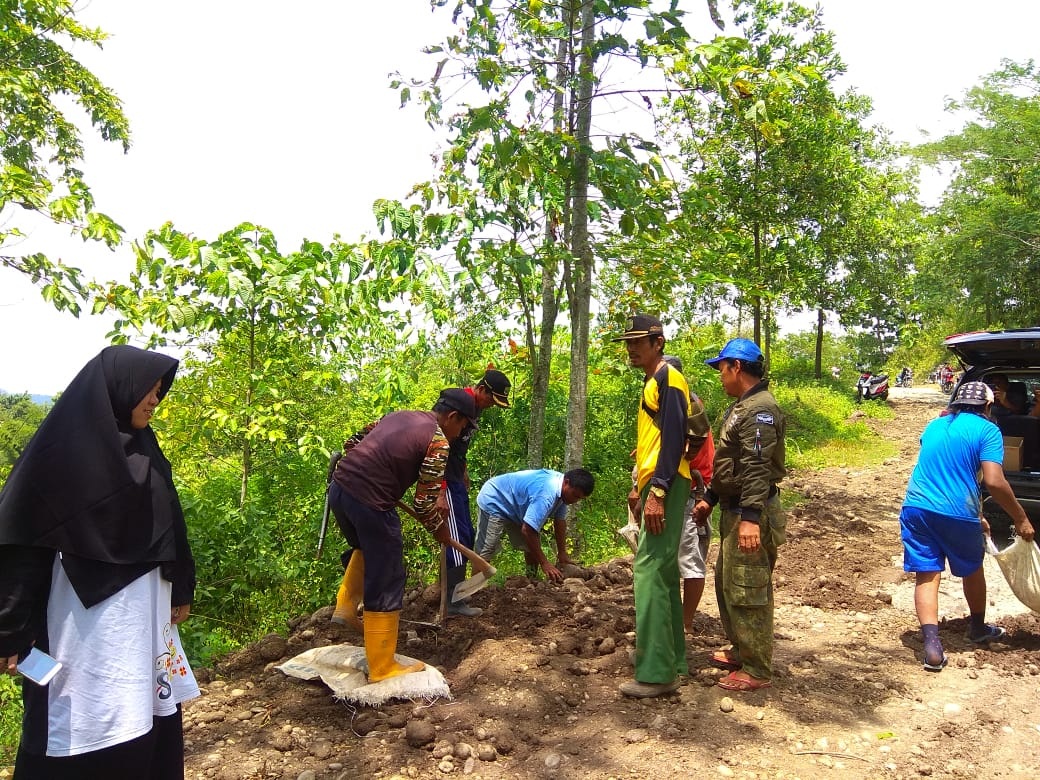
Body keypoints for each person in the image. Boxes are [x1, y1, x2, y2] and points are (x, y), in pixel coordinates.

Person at [0, 346, 198, 779]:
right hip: (83, 622)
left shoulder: (146, 450)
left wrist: (181, 584)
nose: (155, 400)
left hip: (145, 618)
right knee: (84, 720)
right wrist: (9, 631)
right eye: (149, 388)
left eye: (160, 391)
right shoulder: (59, 456)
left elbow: (171, 523)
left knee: (145, 710)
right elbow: (22, 545)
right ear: (117, 387)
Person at [328, 388, 478, 681]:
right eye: (463, 426)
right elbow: (424, 504)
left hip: (339, 490)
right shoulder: (438, 443)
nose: (461, 433)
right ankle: (382, 667)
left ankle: (346, 608)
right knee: (388, 575)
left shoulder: (398, 415)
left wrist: (376, 474)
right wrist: (441, 533)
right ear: (453, 417)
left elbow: (352, 443)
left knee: (365, 547)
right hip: (371, 503)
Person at [899, 381, 1035, 672]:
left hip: (916, 506)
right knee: (972, 569)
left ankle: (932, 647)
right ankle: (977, 628)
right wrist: (1020, 517)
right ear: (988, 406)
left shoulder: (934, 426)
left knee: (927, 574)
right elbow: (994, 481)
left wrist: (979, 513)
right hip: (956, 513)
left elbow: (952, 468)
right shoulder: (988, 430)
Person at [693, 338, 786, 693]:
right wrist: (712, 498)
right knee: (728, 584)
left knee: (749, 588)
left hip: (752, 512)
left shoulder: (759, 410)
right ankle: (741, 649)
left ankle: (757, 667)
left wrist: (749, 517)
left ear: (736, 367)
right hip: (734, 509)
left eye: (721, 369)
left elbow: (757, 466)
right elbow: (730, 463)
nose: (719, 376)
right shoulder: (742, 406)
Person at [613, 314, 693, 699]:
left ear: (657, 343)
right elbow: (662, 433)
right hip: (658, 480)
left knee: (647, 570)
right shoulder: (653, 380)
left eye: (637, 342)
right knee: (660, 573)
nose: (631, 349)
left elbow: (677, 436)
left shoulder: (668, 378)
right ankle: (671, 659)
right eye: (627, 343)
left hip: (667, 484)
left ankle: (657, 674)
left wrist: (659, 490)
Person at [437, 369, 511, 618]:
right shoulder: (461, 404)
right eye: (491, 399)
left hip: (456, 478)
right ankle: (452, 602)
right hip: (443, 479)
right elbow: (440, 447)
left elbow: (459, 448)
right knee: (457, 540)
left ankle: (452, 595)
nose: (491, 406)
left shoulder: (474, 408)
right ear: (482, 389)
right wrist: (440, 489)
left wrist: (464, 471)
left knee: (465, 535)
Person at [660, 355, 716, 632]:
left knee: (689, 556)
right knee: (672, 554)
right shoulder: (676, 401)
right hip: (679, 485)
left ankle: (685, 622)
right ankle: (673, 616)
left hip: (689, 487)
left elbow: (689, 447)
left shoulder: (685, 403)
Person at [474, 468, 595, 582]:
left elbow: (560, 521)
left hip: (517, 505)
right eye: (575, 495)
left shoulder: (563, 494)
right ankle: (474, 592)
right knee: (486, 549)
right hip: (495, 499)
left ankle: (531, 580)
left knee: (531, 544)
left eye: (580, 498)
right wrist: (545, 563)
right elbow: (528, 530)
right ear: (566, 482)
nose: (575, 501)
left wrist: (562, 552)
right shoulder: (546, 494)